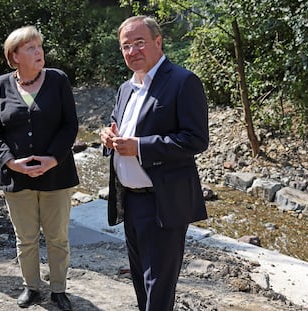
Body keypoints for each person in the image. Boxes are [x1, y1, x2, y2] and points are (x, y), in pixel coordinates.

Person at [100, 15, 209, 310]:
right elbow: (117, 121)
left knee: (158, 287)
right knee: (141, 279)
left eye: (139, 43)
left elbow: (196, 139)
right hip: (130, 200)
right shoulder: (126, 88)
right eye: (126, 46)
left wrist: (140, 147)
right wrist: (109, 134)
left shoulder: (183, 81)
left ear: (158, 42)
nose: (133, 51)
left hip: (163, 201)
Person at [0, 25, 79, 311]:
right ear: (14, 57)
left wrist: (53, 158)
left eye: (39, 46)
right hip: (16, 177)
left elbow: (69, 124)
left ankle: (59, 290)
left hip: (57, 174)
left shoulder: (58, 79)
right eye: (30, 48)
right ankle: (32, 287)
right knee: (25, 239)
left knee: (57, 237)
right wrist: (11, 162)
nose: (39, 52)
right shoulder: (0, 84)